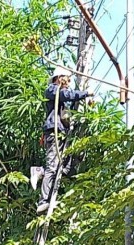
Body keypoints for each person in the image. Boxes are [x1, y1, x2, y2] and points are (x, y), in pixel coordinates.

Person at [32, 65, 94, 214]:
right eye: (67, 79)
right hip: (54, 132)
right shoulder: (52, 90)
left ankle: (40, 171)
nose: (69, 82)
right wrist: (85, 93)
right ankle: (43, 201)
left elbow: (70, 102)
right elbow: (66, 95)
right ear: (59, 78)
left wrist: (87, 101)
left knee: (66, 168)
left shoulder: (62, 96)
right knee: (53, 167)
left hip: (63, 134)